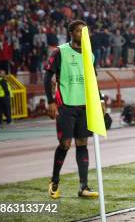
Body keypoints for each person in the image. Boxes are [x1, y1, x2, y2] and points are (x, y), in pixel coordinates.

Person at [44, 20, 100, 199]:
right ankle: (54, 182)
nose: (83, 34)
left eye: (85, 31)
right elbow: (47, 76)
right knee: (65, 144)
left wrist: (99, 99)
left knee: (82, 143)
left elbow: (93, 79)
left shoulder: (89, 54)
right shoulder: (60, 51)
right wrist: (50, 101)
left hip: (84, 106)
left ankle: (83, 187)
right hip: (65, 105)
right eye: (79, 31)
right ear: (71, 33)